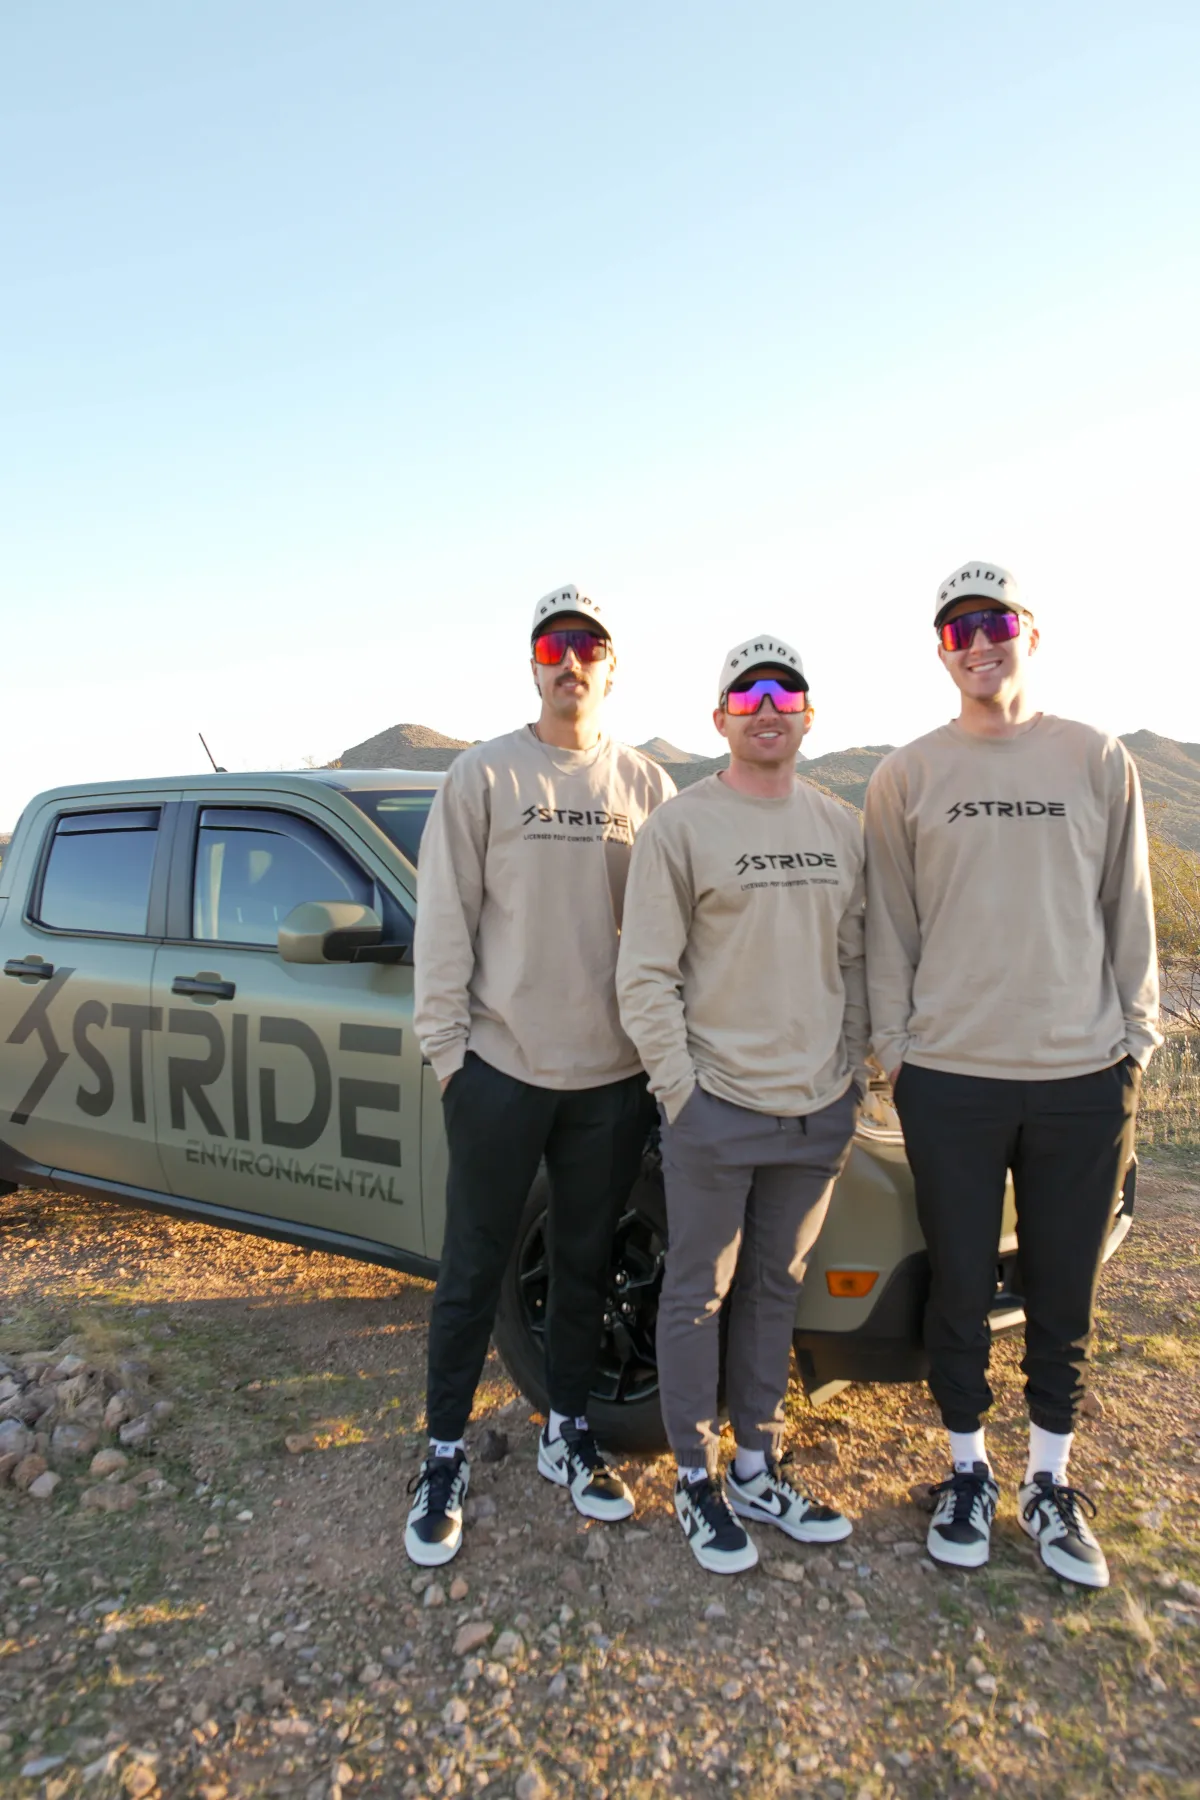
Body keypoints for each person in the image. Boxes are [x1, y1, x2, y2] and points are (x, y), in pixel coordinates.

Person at [864, 561, 1160, 1589]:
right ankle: (965, 1472)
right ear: (941, 652)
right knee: (958, 1281)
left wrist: (1137, 1036)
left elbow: (1129, 906)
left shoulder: (1095, 757)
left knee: (1063, 1289)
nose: (976, 641)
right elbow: (889, 928)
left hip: (1085, 1072)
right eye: (956, 630)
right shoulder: (907, 774)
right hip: (950, 1076)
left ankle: (1049, 1481)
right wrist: (898, 1052)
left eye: (992, 622)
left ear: (1030, 631)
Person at [406, 584, 675, 1566]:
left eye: (589, 645)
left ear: (612, 665)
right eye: (556, 644)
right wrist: (450, 1060)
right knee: (473, 1267)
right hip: (502, 1070)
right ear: (534, 662)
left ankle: (567, 1433)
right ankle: (443, 1453)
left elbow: (670, 935)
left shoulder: (646, 787)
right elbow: (445, 926)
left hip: (609, 1079)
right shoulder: (485, 776)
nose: (573, 661)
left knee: (581, 1264)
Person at [616, 634, 866, 1574]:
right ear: (720, 717)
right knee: (696, 1293)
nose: (768, 704)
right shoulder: (682, 828)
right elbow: (644, 975)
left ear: (808, 716)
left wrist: (850, 1069)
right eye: (747, 691)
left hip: (817, 1112)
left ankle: (757, 1466)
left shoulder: (842, 827)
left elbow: (854, 958)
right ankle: (696, 1479)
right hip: (717, 1106)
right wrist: (681, 1093)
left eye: (787, 690)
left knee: (774, 1292)